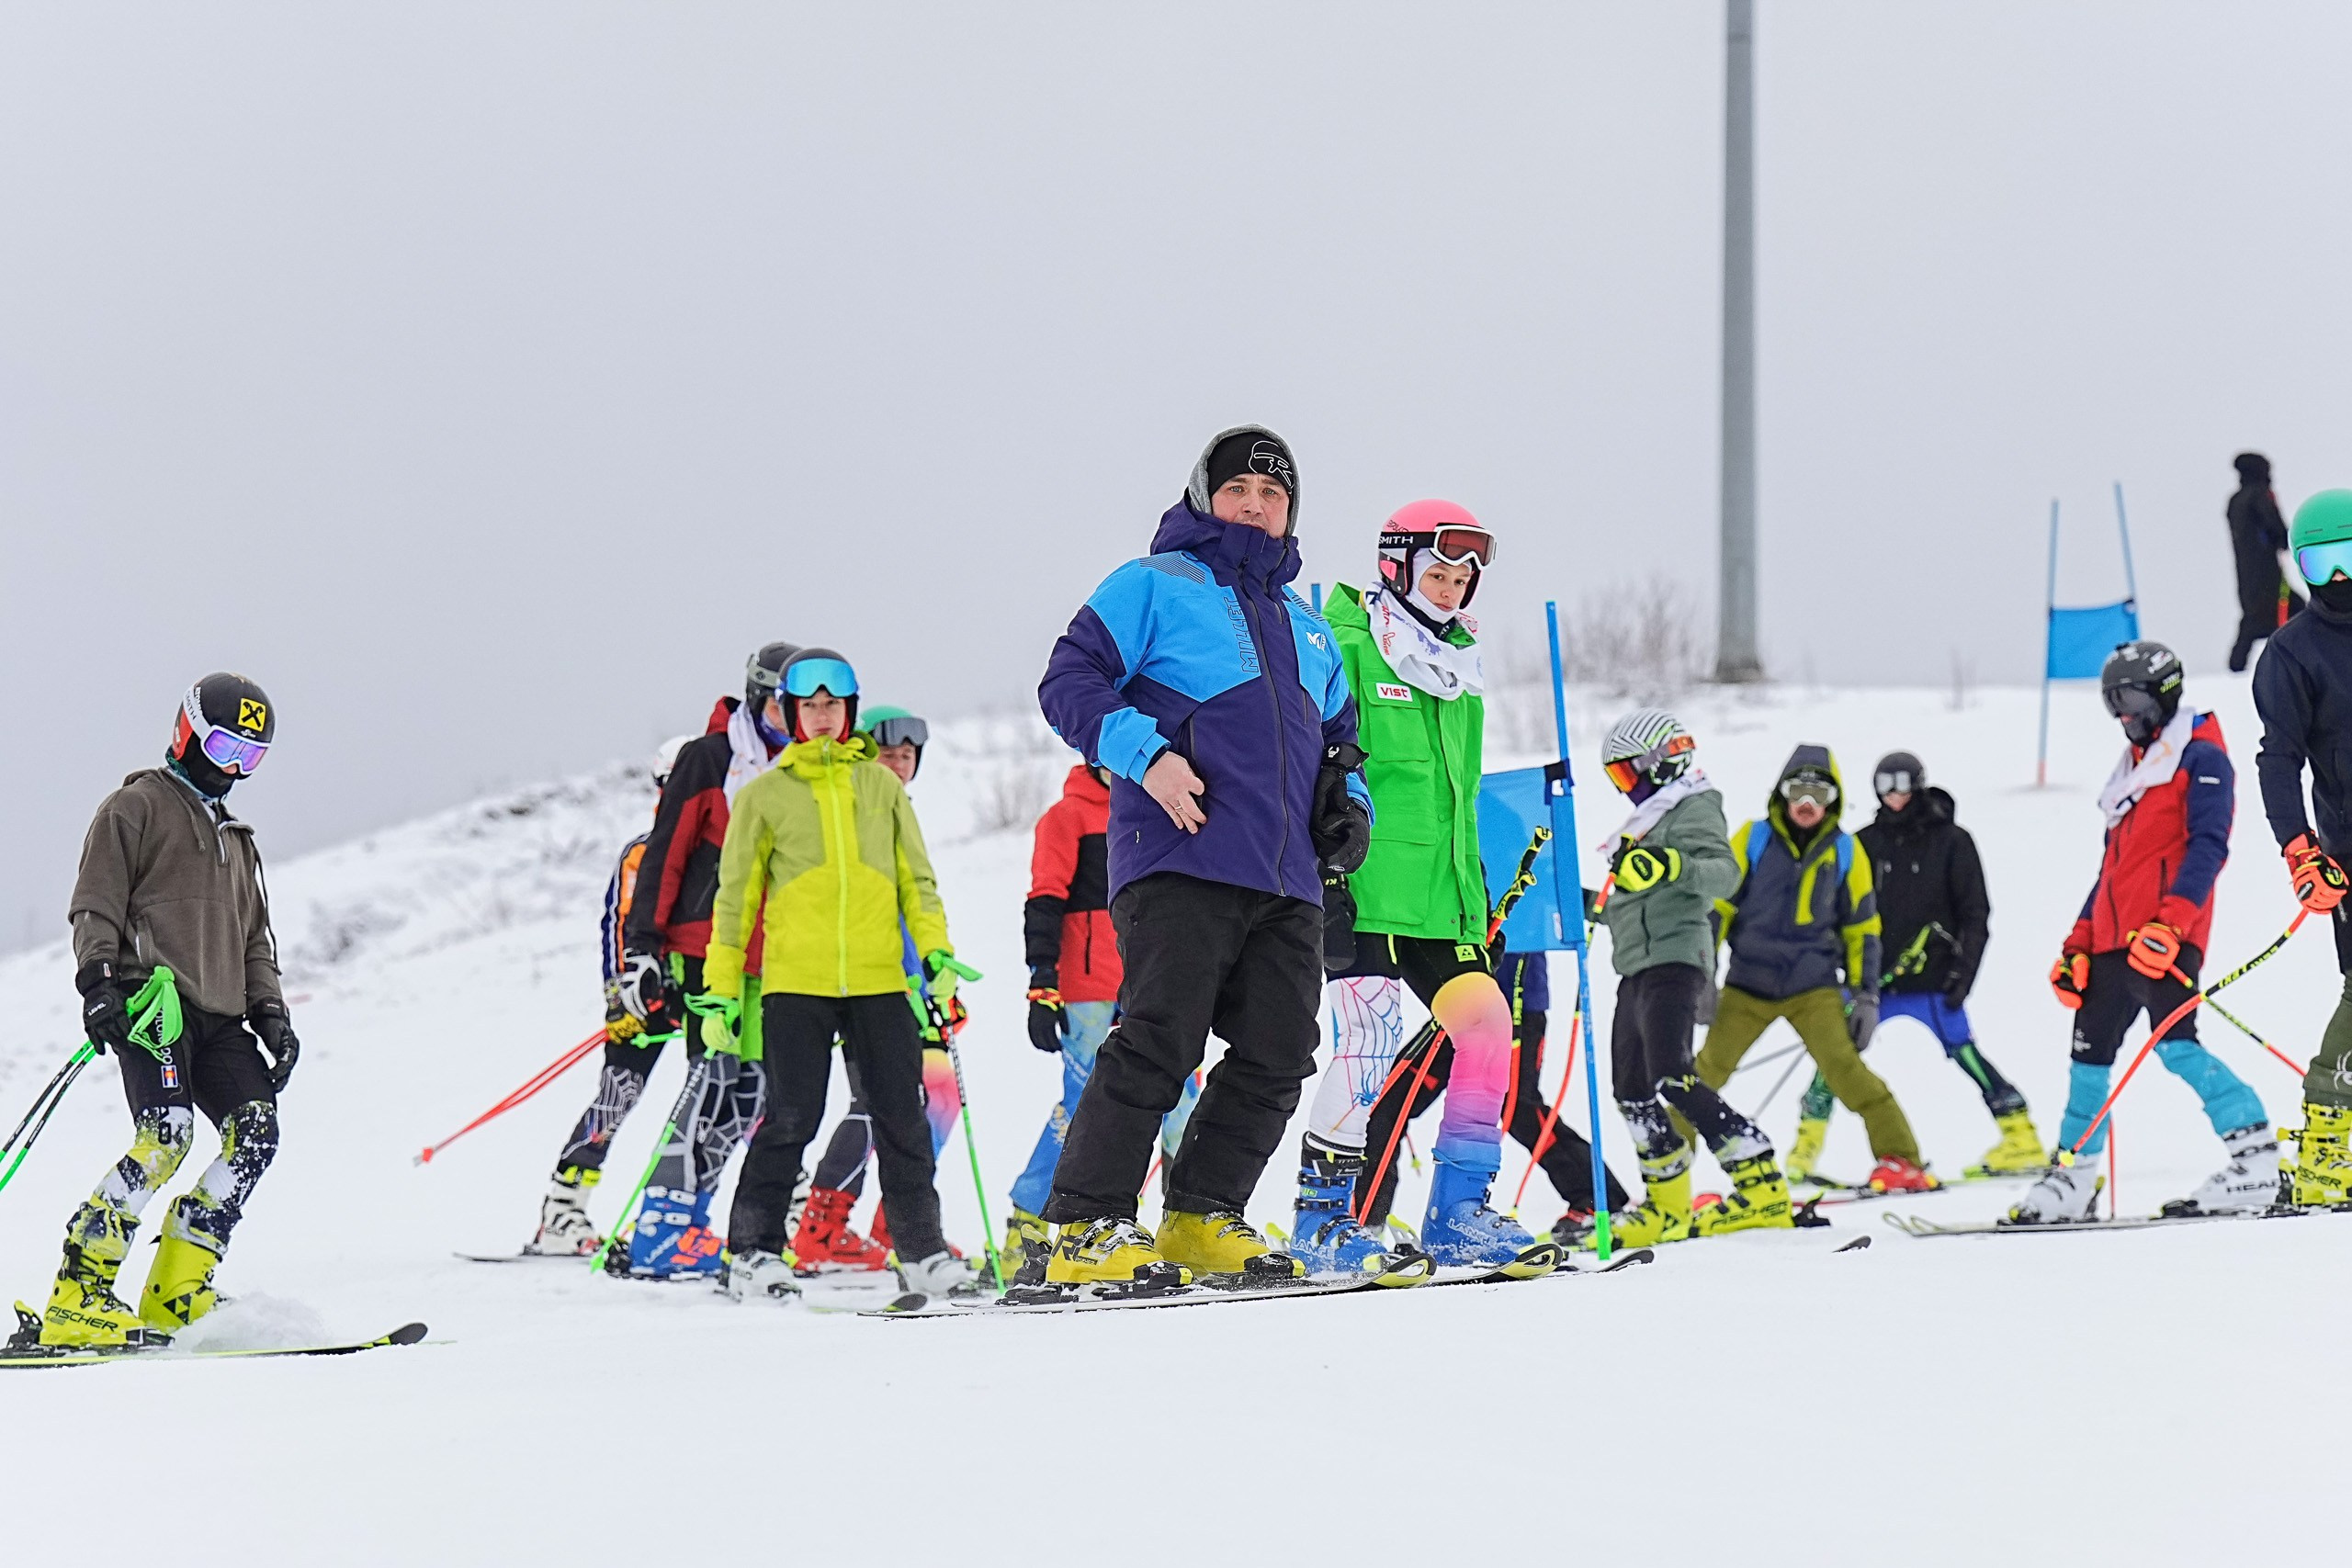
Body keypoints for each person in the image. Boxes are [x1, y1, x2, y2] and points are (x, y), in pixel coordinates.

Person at [1035, 424, 1369, 1295]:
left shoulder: (1308, 623)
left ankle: (1198, 1213)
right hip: (1180, 849)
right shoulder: (1151, 585)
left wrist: (1350, 809)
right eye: (1238, 490)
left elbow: (1342, 740)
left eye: (1273, 493)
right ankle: (1085, 1222)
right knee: (1161, 1037)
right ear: (1202, 496)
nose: (1255, 506)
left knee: (1282, 1047)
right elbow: (1069, 679)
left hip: (1287, 873)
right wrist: (1146, 756)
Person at [1293, 500, 1551, 1277]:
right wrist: (1318, 871)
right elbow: (1312, 764)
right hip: (1365, 888)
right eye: (1436, 573)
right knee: (1366, 1047)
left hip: (1442, 902)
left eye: (1462, 579)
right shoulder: (1343, 643)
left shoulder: (1460, 673)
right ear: (1396, 568)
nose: (1449, 589)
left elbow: (1458, 804)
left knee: (1486, 1026)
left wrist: (1476, 899)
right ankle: (1321, 1221)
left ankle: (1457, 1212)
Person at [30, 675, 298, 1348]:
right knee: (168, 1132)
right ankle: (78, 1290)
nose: (233, 768)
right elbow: (95, 903)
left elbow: (254, 938)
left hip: (222, 1016)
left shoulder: (239, 841)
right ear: (185, 732)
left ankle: (178, 1287)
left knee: (256, 1133)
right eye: (222, 745)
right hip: (155, 1003)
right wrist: (98, 982)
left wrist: (271, 1015)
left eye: (250, 756)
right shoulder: (135, 807)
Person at [707, 649, 972, 1302]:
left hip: (880, 979)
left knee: (902, 1118)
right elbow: (734, 899)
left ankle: (921, 1252)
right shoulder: (767, 794)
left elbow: (917, 880)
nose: (822, 716)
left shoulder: (878, 786)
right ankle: (753, 1252)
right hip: (798, 981)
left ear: (848, 711)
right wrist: (719, 988)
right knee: (792, 1114)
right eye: (810, 706)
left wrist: (936, 955)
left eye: (832, 706)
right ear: (792, 714)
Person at [2015, 640, 2275, 1222]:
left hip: (2162, 939)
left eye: (2130, 699)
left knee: (2179, 1048)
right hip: (2110, 942)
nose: (2123, 715)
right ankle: (2074, 1179)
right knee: (2088, 1061)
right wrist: (2076, 944)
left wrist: (2174, 924)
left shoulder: (2200, 757)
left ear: (2163, 694)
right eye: (2112, 703)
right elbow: (2110, 873)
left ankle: (2255, 1160)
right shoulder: (2130, 774)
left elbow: (2209, 847)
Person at [605, 643, 797, 1279]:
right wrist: (644, 947)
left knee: (750, 1096)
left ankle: (684, 1221)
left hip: (773, 958)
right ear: (755, 694)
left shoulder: (796, 768)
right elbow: (667, 852)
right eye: (777, 701)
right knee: (711, 1084)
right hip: (702, 946)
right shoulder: (711, 758)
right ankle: (661, 1224)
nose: (786, 713)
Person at [1569, 709, 1786, 1246]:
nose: (1626, 789)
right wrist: (1583, 908)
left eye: (1627, 774)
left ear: (1658, 763)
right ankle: (1667, 1203)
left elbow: (1725, 874)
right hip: (1635, 965)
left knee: (1671, 1073)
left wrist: (1670, 865)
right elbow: (1626, 903)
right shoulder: (1643, 824)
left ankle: (1759, 1181)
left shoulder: (1694, 806)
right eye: (1617, 779)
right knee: (1630, 1089)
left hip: (1677, 959)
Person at [1783, 751, 2043, 1182]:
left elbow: (1975, 913)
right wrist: (1831, 970)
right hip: (1870, 984)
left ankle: (2020, 1136)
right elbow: (1838, 913)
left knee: (1965, 1052)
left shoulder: (1953, 841)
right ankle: (1805, 1150)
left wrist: (1964, 974)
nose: (1894, 795)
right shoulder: (1863, 843)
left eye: (1903, 784)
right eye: (1885, 785)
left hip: (1934, 979)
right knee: (1834, 1059)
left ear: (1919, 785)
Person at [1695, 744, 1936, 1202]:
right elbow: (1715, 911)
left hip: (1814, 989)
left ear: (1833, 800)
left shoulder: (1847, 851)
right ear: (1782, 794)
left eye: (1818, 794)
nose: (1807, 804)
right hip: (1749, 986)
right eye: (1798, 791)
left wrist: (1865, 997)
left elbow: (1862, 930)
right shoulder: (1752, 839)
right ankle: (1666, 1177)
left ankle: (1901, 1159)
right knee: (1704, 1074)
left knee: (1847, 1072)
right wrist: (1701, 978)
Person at [1001, 758, 1201, 1280]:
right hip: (1087, 985)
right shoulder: (1066, 817)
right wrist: (1042, 981)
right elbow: (1043, 900)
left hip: (1150, 977)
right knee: (1085, 1103)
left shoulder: (1159, 806)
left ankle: (1186, 1222)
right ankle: (1028, 1223)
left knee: (1182, 1093)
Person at [797, 705, 967, 1270]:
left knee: (939, 1100)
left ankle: (899, 1222)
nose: (897, 764)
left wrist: (936, 980)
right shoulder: (853, 812)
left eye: (906, 755)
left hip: (913, 986)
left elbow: (914, 903)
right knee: (874, 1104)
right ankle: (822, 1226)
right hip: (865, 984)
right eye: (886, 753)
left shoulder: (899, 814)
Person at [527, 736, 693, 1256]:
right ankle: (562, 1209)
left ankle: (791, 1206)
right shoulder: (643, 853)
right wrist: (622, 997)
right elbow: (618, 927)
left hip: (709, 996)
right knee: (616, 1100)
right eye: (673, 785)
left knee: (736, 1097)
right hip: (646, 1002)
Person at [1350, 946, 1630, 1239]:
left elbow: (1555, 907)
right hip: (1458, 1008)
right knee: (1388, 1103)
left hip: (1514, 1004)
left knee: (1519, 1107)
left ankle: (1599, 1200)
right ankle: (1365, 1223)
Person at [2256, 490, 2352, 1207]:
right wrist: (2299, 847)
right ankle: (2326, 1146)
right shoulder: (2293, 651)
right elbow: (2279, 757)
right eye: (2325, 562)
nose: (2341, 578)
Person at [2228, 452, 2302, 673]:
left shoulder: (2235, 501)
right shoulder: (2260, 496)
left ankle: (2236, 666)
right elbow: (2276, 528)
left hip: (2246, 574)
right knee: (2297, 611)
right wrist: (2284, 539)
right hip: (2267, 573)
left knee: (2253, 617)